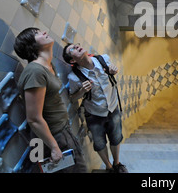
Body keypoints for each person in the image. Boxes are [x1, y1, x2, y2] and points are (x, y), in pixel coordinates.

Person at [14, 28, 87, 173]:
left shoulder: (48, 66)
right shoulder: (35, 71)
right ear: (31, 45)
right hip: (53, 137)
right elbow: (33, 118)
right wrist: (54, 147)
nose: (44, 32)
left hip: (62, 131)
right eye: (36, 33)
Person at [62, 42, 128, 173]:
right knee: (99, 143)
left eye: (76, 45)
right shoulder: (74, 77)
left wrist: (114, 70)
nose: (77, 46)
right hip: (94, 114)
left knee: (116, 137)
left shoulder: (104, 59)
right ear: (73, 60)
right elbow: (72, 98)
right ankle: (109, 167)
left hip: (113, 107)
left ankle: (117, 164)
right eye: (73, 49)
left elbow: (112, 74)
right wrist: (81, 91)